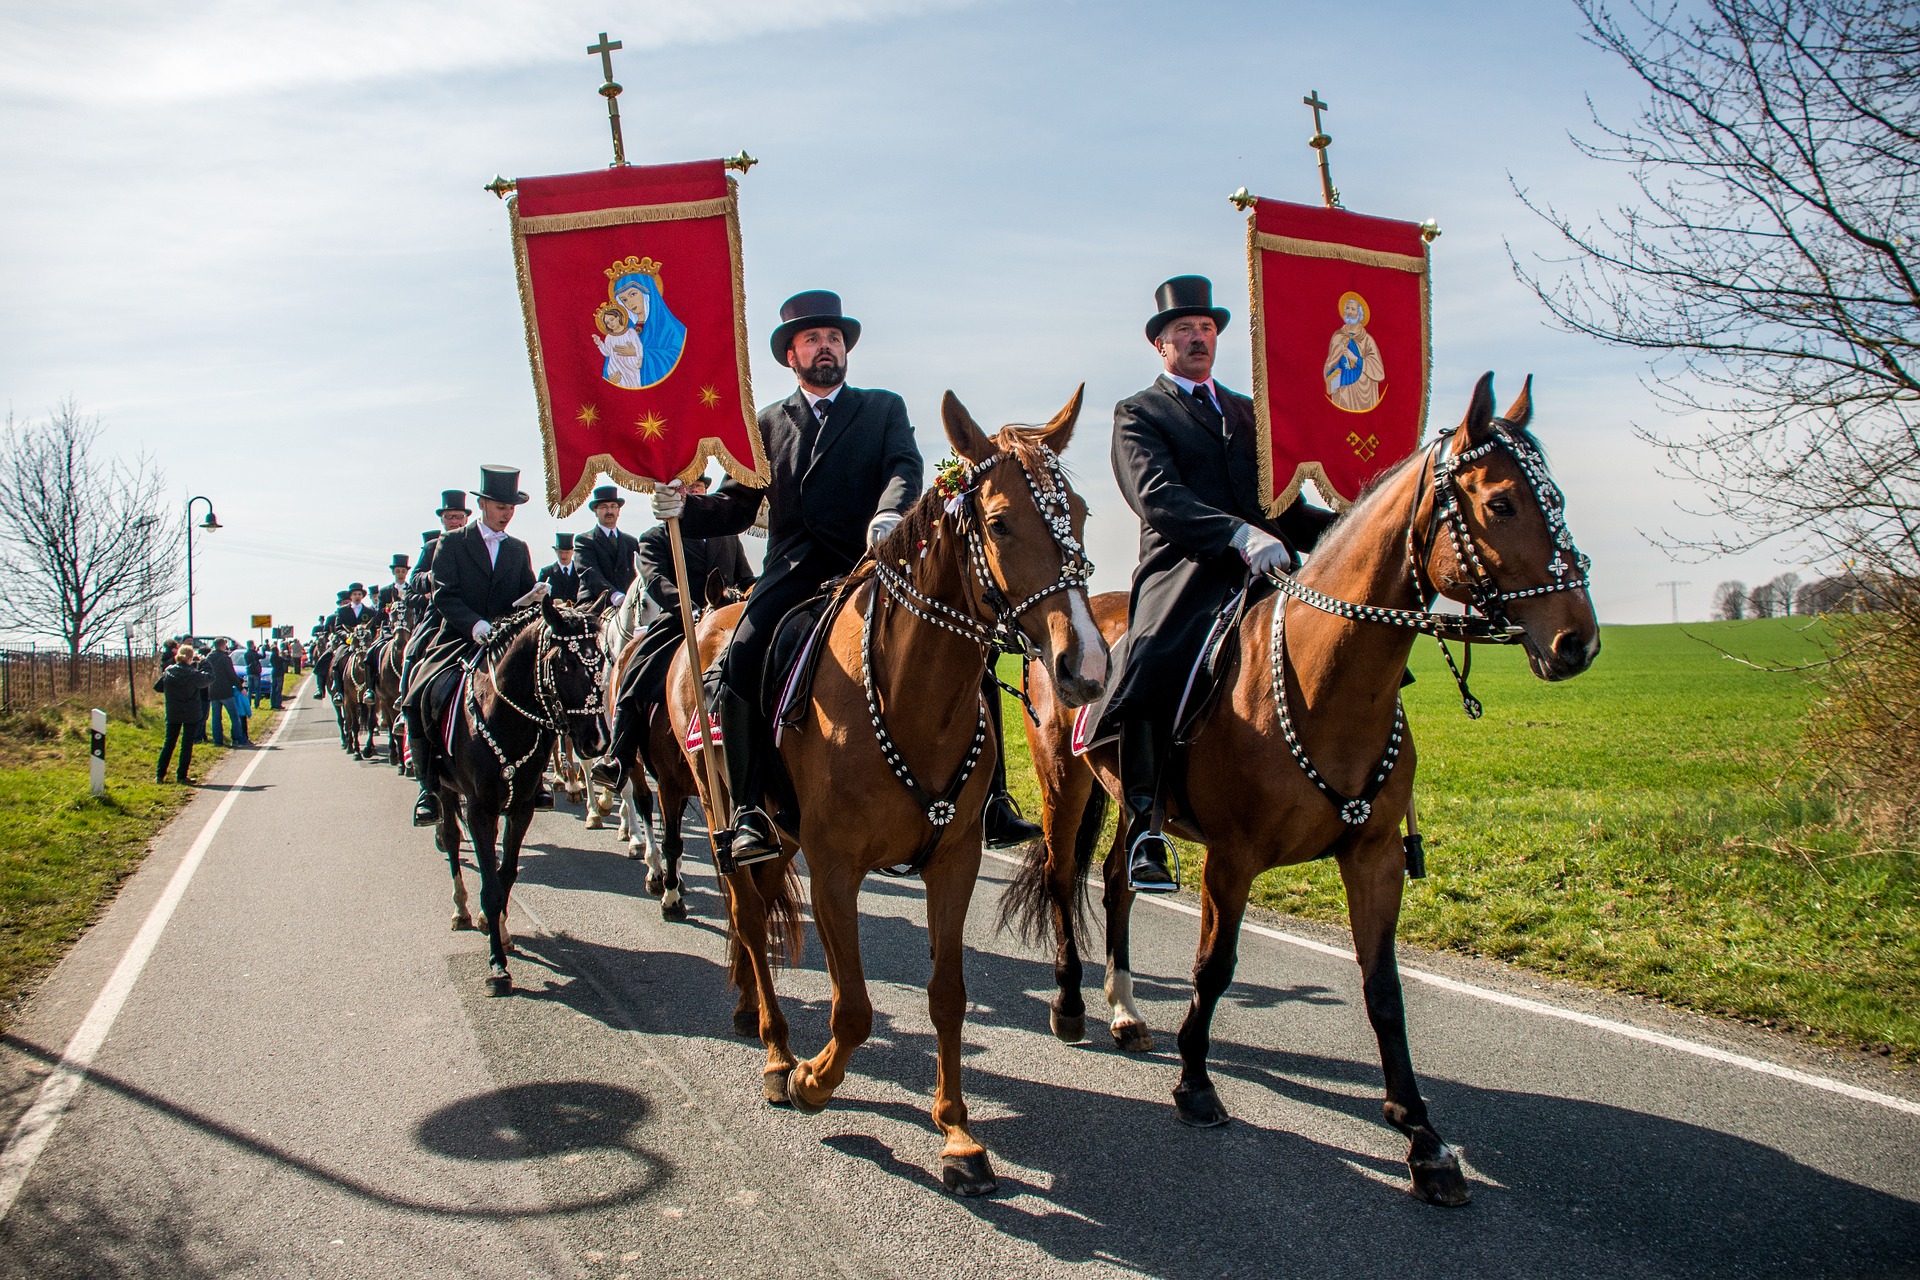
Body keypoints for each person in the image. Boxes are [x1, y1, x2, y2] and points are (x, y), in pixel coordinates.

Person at [654, 289, 920, 863]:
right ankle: (750, 808)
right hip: (796, 570)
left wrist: (891, 513)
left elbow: (904, 466)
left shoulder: (883, 408)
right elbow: (736, 507)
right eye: (812, 340)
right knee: (740, 656)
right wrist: (685, 508)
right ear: (790, 355)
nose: (825, 348)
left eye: (833, 339)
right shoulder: (765, 424)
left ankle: (989, 798)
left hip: (870, 561)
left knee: (956, 632)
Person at [1101, 275, 1335, 892]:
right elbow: (1159, 498)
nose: (1198, 338)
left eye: (1206, 329)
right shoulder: (1138, 413)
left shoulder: (1251, 413)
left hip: (1269, 567)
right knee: (1152, 660)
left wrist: (1353, 526)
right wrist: (1237, 534)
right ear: (1161, 344)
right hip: (1186, 567)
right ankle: (1146, 824)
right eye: (1184, 330)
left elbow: (1284, 508)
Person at [402, 466, 548, 826]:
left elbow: (522, 591)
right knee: (419, 695)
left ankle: (537, 777)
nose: (507, 513)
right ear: (483, 504)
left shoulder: (517, 548)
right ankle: (428, 786)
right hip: (458, 638)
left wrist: (535, 597)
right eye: (501, 506)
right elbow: (444, 595)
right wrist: (475, 625)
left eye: (511, 508)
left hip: (505, 639)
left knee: (542, 694)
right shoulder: (451, 543)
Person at [592, 475, 753, 794]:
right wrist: (689, 609)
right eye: (686, 487)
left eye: (698, 486)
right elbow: (655, 581)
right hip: (680, 618)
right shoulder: (655, 536)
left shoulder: (728, 535)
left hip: (725, 616)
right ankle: (620, 757)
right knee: (636, 669)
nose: (693, 491)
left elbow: (744, 575)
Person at [574, 485, 640, 605]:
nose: (609, 511)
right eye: (604, 507)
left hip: (628, 603)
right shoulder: (584, 541)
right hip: (594, 602)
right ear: (596, 511)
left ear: (618, 511)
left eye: (613, 506)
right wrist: (613, 594)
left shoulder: (631, 542)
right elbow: (589, 573)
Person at [155, 646, 211, 784]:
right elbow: (209, 678)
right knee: (186, 744)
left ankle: (160, 774)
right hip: (190, 712)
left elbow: (158, 687)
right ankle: (181, 775)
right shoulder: (192, 674)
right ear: (191, 658)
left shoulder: (169, 672)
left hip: (173, 711)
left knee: (169, 743)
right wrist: (204, 662)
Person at [537, 532, 611, 604]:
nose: (563, 556)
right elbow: (537, 596)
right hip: (554, 613)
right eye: (560, 552)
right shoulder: (547, 572)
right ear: (556, 551)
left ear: (573, 552)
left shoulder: (581, 571)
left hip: (578, 611)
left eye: (566, 552)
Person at [206, 638, 244, 746]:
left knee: (216, 718)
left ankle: (218, 741)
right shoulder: (225, 658)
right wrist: (241, 688)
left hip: (213, 691)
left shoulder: (208, 658)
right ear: (223, 645)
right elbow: (231, 674)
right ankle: (236, 739)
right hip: (225, 691)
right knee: (234, 716)